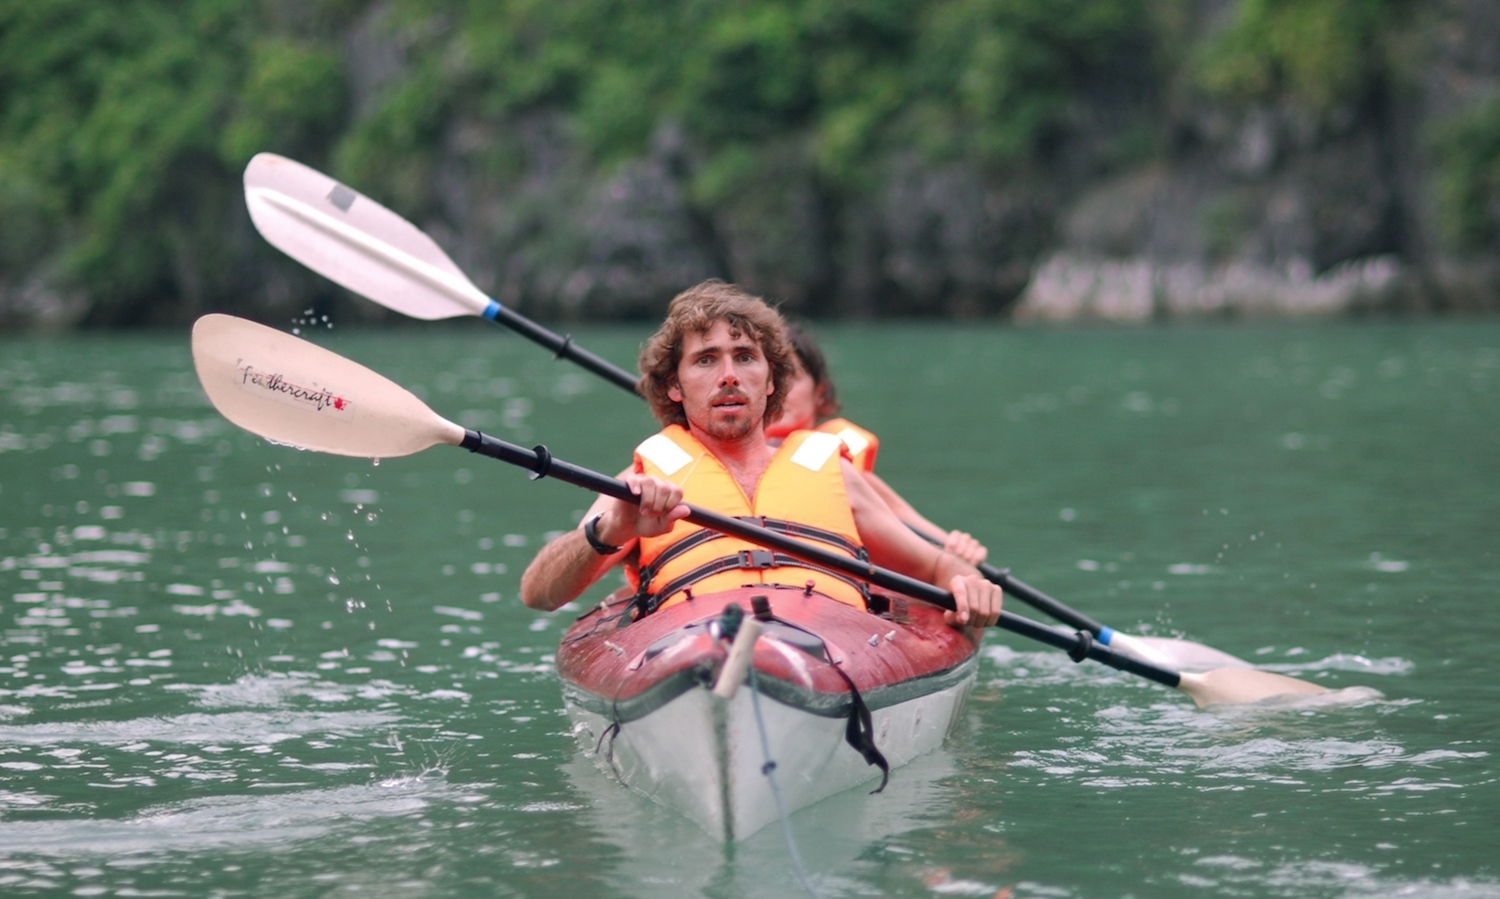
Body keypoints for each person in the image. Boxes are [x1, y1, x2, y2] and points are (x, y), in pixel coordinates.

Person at [518, 280, 1001, 630]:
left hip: (830, 648)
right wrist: (611, 529)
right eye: (706, 360)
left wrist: (968, 582)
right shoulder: (640, 484)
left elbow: (939, 568)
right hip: (694, 644)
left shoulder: (834, 472)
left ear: (771, 381)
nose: (729, 375)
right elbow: (538, 594)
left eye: (745, 357)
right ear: (674, 386)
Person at [766, 324, 990, 566]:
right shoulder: (726, 461)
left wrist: (957, 550)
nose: (780, 389)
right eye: (770, 377)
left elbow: (910, 525)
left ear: (820, 393)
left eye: (792, 376)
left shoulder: (841, 469)